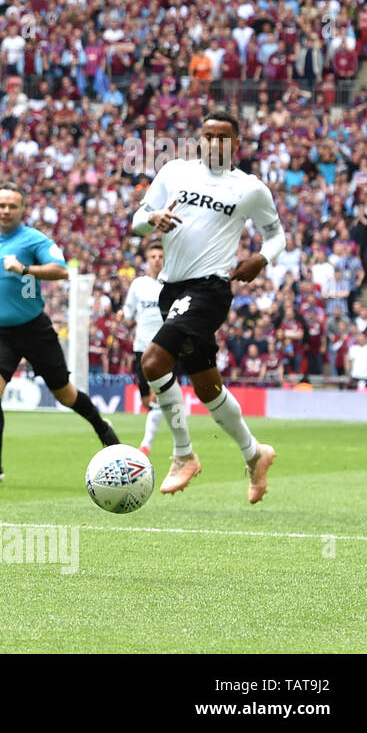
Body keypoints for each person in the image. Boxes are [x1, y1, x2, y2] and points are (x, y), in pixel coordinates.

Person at [131, 110, 282, 504]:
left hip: (210, 289)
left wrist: (261, 259)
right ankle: (254, 453)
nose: (214, 143)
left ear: (236, 144)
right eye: (208, 135)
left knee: (153, 362)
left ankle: (184, 455)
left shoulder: (249, 188)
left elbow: (276, 234)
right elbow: (136, 221)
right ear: (200, 139)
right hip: (171, 290)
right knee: (207, 386)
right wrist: (153, 218)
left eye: (222, 137)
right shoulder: (174, 172)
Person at [0, 183, 119, 483]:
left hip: (35, 330)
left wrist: (24, 269)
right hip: (1, 332)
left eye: (13, 206)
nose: (6, 211)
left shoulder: (34, 239)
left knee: (64, 394)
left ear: (23, 210)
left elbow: (61, 271)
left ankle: (102, 428)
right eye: (2, 205)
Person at [119, 241, 166, 455]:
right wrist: (122, 316)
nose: (157, 260)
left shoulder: (172, 283)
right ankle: (162, 431)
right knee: (148, 401)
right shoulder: (138, 284)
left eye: (160, 256)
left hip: (165, 346)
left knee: (157, 396)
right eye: (153, 256)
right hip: (141, 346)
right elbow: (129, 310)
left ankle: (146, 444)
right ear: (147, 260)